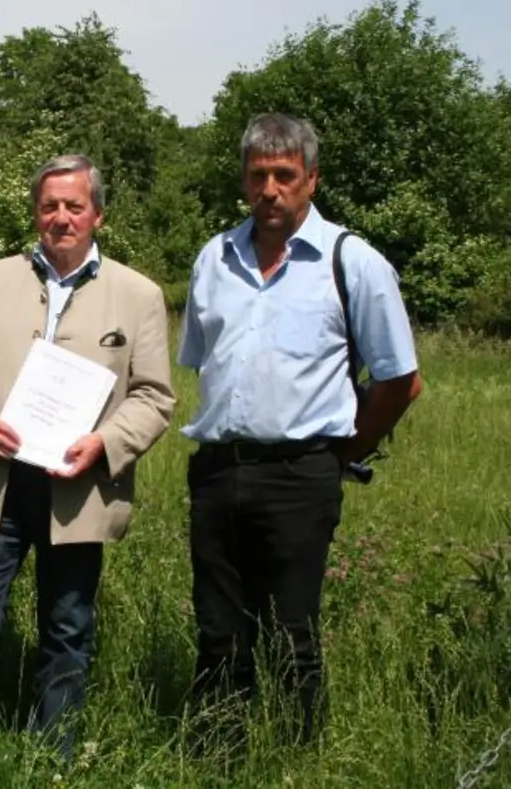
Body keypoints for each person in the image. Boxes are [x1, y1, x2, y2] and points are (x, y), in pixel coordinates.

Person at [0, 154, 176, 787]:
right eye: (49, 206)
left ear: (97, 214)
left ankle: (52, 761)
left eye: (74, 206)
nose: (61, 218)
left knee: (68, 630)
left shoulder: (139, 295)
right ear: (35, 212)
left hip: (79, 490)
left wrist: (107, 442)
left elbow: (154, 397)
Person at [176, 112, 421, 746]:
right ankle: (216, 757)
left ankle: (292, 760)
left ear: (311, 179)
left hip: (302, 473)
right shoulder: (214, 258)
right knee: (219, 632)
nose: (271, 190)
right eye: (259, 175)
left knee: (292, 632)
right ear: (243, 179)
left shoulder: (352, 262)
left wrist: (347, 451)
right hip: (218, 468)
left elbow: (400, 379)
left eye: (285, 175)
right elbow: (204, 360)